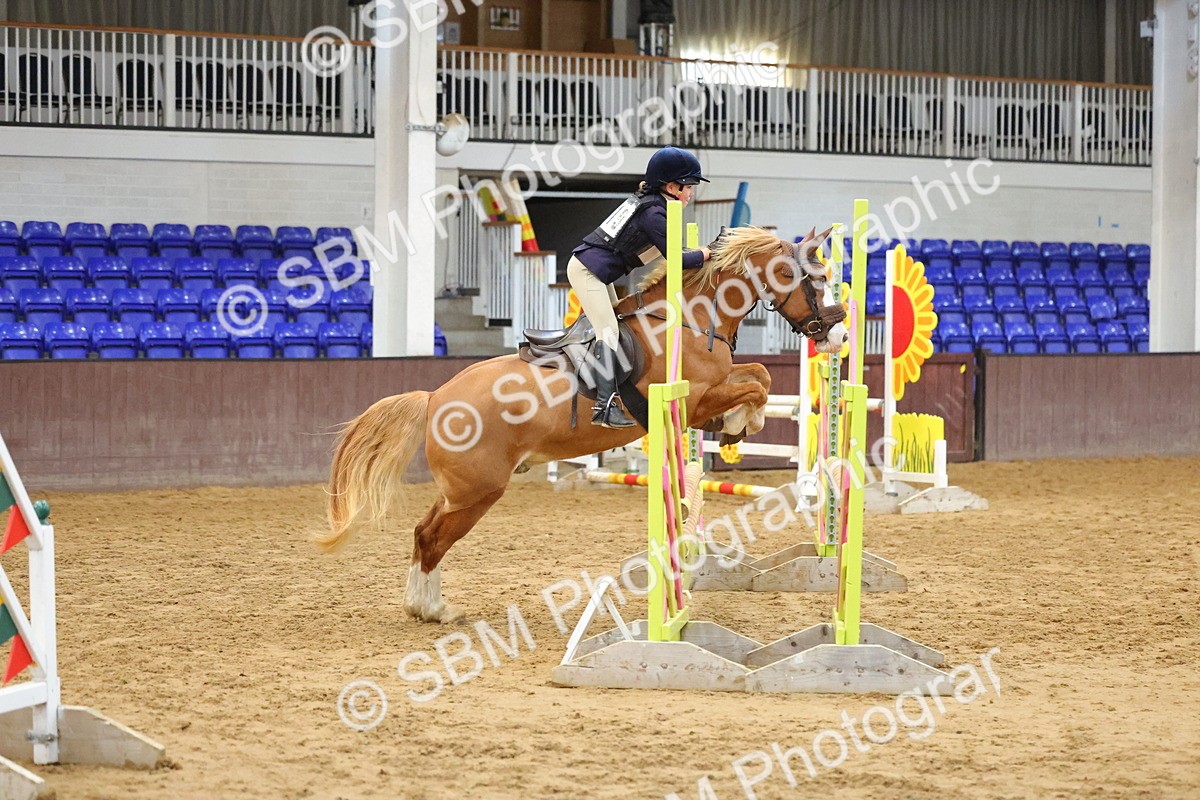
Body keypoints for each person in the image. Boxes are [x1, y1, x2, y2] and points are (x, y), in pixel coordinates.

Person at [568, 146, 719, 429]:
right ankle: (603, 407)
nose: (691, 193)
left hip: (598, 272)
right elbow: (677, 260)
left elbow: (676, 252)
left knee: (616, 324)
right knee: (609, 331)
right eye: (689, 187)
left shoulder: (652, 205)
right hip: (588, 272)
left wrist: (702, 252)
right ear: (672, 187)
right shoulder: (653, 214)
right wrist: (708, 253)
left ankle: (607, 383)